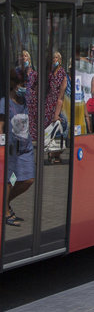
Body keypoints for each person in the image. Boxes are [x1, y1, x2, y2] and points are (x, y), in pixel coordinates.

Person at [1, 69, 35, 226]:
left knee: (28, 179)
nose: (25, 88)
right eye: (23, 85)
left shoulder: (25, 102)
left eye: (27, 85)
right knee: (11, 181)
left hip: (25, 149)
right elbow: (1, 127)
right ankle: (5, 212)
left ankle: (4, 203)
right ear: (14, 85)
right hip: (11, 150)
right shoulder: (5, 103)